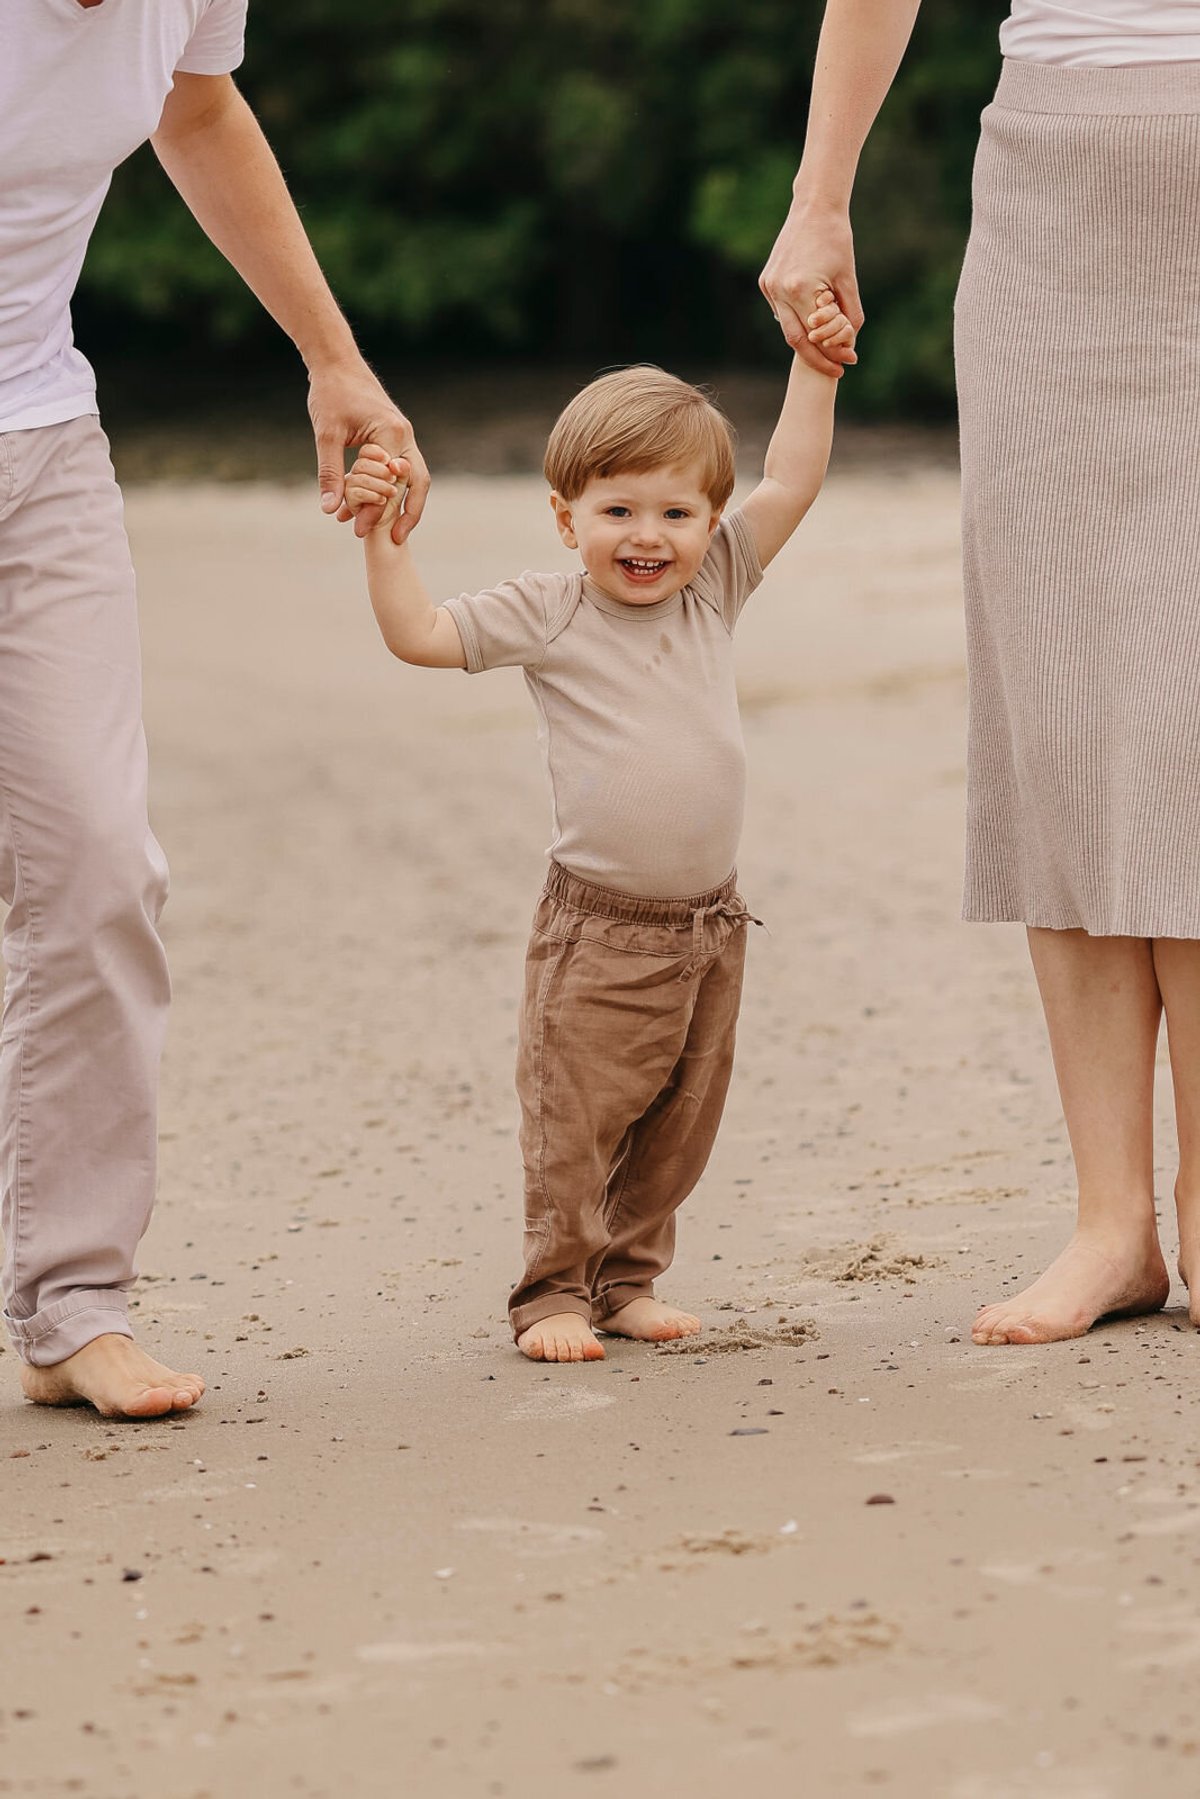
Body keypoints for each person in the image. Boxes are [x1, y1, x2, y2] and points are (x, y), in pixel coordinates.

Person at [2, 0, 428, 1419]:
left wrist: (333, 355)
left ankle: (73, 1302)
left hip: (38, 448)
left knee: (99, 868)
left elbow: (197, 109)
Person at [761, 1, 1200, 1344]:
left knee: (1188, 722)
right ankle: (1112, 1223)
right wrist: (818, 197)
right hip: (1051, 189)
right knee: (1060, 705)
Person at [341, 304, 856, 1363]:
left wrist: (815, 367)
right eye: (617, 509)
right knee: (576, 1122)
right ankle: (552, 1294)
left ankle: (627, 1282)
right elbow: (420, 637)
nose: (648, 536)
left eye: (676, 511)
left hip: (713, 921)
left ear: (711, 523)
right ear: (564, 515)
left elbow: (792, 480)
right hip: (600, 929)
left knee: (679, 1121)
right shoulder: (551, 610)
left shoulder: (713, 587)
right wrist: (385, 544)